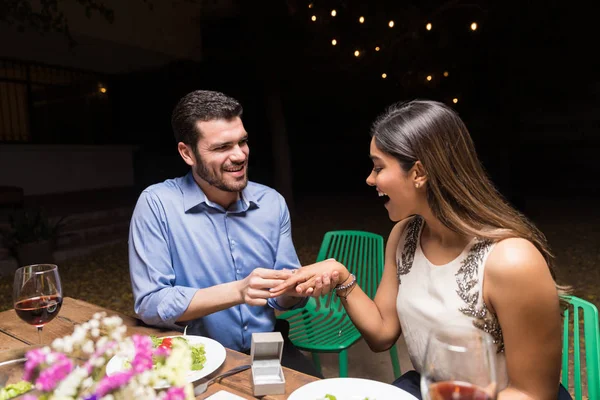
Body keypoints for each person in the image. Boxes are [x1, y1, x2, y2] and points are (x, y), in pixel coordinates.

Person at [271, 100, 572, 399]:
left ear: (419, 173)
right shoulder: (404, 235)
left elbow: (532, 393)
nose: (370, 179)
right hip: (432, 390)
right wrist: (341, 276)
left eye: (378, 167)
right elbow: (382, 334)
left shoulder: (513, 260)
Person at [128, 89, 331, 377]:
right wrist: (238, 291)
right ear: (188, 153)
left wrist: (295, 291)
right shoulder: (157, 204)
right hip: (196, 357)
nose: (239, 156)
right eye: (222, 147)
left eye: (243, 142)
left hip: (268, 349)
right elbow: (151, 303)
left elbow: (281, 299)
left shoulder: (272, 203)